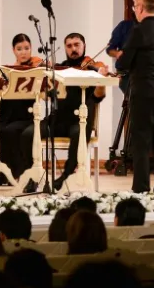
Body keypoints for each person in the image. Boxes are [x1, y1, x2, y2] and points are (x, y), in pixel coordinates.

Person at [21, 33, 108, 191]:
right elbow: (47, 95)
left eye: (77, 45)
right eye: (69, 46)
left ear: (84, 46)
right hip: (58, 118)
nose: (73, 49)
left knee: (78, 134)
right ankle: (32, 177)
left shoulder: (91, 70)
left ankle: (65, 176)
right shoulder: (60, 69)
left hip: (80, 120)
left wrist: (101, 80)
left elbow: (99, 96)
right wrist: (46, 82)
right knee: (28, 133)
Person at [116, 0, 154, 192]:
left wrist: (123, 59)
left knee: (140, 141)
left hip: (144, 92)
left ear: (140, 7)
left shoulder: (138, 30)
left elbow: (123, 64)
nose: (133, 9)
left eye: (134, 5)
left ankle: (141, 187)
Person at [0, 34, 38, 184]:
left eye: (27, 48)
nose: (23, 52)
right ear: (13, 50)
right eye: (19, 49)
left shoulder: (35, 70)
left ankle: (18, 174)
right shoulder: (7, 70)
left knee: (10, 131)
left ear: (31, 49)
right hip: (6, 113)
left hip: (25, 116)